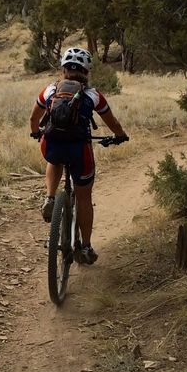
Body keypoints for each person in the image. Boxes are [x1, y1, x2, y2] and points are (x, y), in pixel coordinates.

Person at [28, 47, 128, 264]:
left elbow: (33, 119)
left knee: (54, 157)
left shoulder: (49, 90)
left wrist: (37, 132)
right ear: (86, 71)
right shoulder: (93, 95)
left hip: (53, 145)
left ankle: (50, 197)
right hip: (80, 150)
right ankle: (85, 247)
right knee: (84, 197)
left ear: (63, 69)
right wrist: (120, 136)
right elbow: (113, 123)